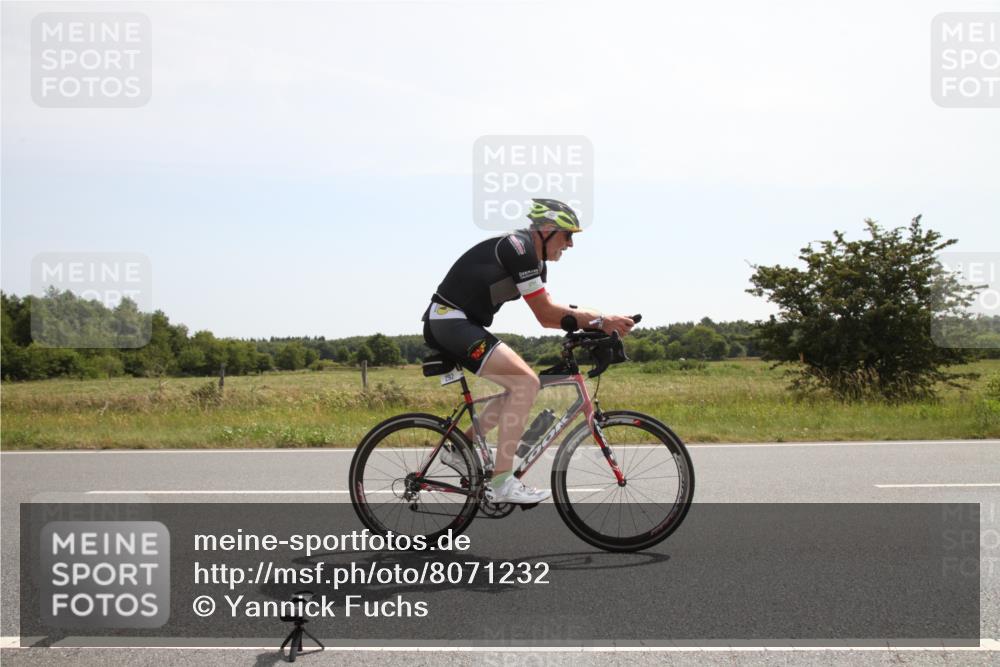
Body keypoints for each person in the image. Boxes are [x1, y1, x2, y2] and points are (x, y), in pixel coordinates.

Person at [421, 199, 634, 503]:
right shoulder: (518, 248)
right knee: (526, 383)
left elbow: (555, 315)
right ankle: (502, 483)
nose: (571, 244)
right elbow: (546, 313)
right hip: (449, 319)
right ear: (546, 230)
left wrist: (600, 321)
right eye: (567, 235)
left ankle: (459, 447)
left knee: (520, 388)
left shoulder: (536, 262)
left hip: (463, 322)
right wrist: (601, 321)